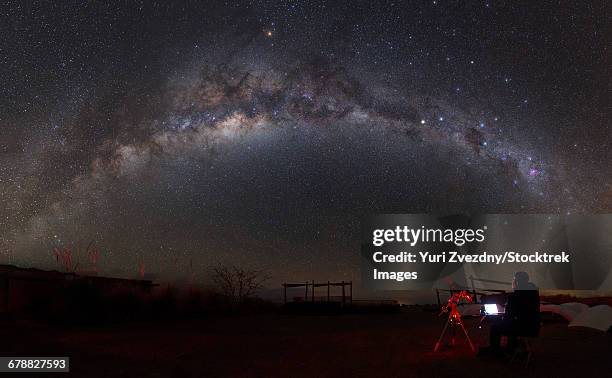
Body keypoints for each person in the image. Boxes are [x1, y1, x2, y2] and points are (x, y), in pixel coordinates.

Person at [478, 271, 540, 357]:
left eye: (514, 280)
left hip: (522, 328)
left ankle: (495, 351)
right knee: (511, 323)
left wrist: (498, 316)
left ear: (517, 282)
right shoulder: (533, 292)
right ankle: (510, 348)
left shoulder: (515, 296)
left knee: (496, 327)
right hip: (533, 327)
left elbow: (509, 316)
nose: (513, 282)